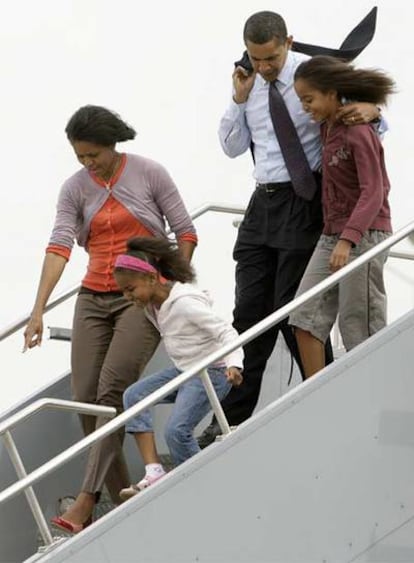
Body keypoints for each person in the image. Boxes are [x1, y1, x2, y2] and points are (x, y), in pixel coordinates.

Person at [198, 10, 383, 448]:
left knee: (290, 311)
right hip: (262, 203)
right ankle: (231, 417)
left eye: (271, 58)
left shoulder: (312, 76)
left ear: (289, 43)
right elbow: (230, 147)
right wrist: (239, 100)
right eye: (256, 58)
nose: (264, 67)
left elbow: (366, 115)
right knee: (248, 313)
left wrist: (373, 110)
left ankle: (323, 398)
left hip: (306, 199)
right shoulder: (248, 84)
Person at [22, 105, 198, 534]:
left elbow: (186, 232)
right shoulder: (74, 189)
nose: (87, 164)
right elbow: (60, 244)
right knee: (86, 397)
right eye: (80, 157)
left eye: (93, 155)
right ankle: (124, 499)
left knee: (113, 388)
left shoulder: (149, 173)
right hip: (93, 297)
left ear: (111, 144)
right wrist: (38, 309)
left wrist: (165, 287)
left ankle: (87, 500)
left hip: (138, 298)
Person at [110, 237, 243, 499]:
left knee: (176, 431)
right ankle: (154, 471)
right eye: (124, 292)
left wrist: (234, 364)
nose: (128, 297)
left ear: (151, 278)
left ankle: (203, 487)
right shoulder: (152, 307)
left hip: (212, 373)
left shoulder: (184, 303)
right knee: (134, 396)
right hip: (185, 372)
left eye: (130, 290)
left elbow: (226, 332)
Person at [290, 55, 394, 377]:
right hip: (332, 234)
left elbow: (374, 192)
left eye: (309, 99)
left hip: (364, 234)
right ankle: (315, 393)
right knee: (303, 317)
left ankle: (371, 393)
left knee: (357, 324)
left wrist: (348, 240)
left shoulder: (358, 130)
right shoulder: (326, 127)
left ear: (332, 93)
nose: (305, 107)